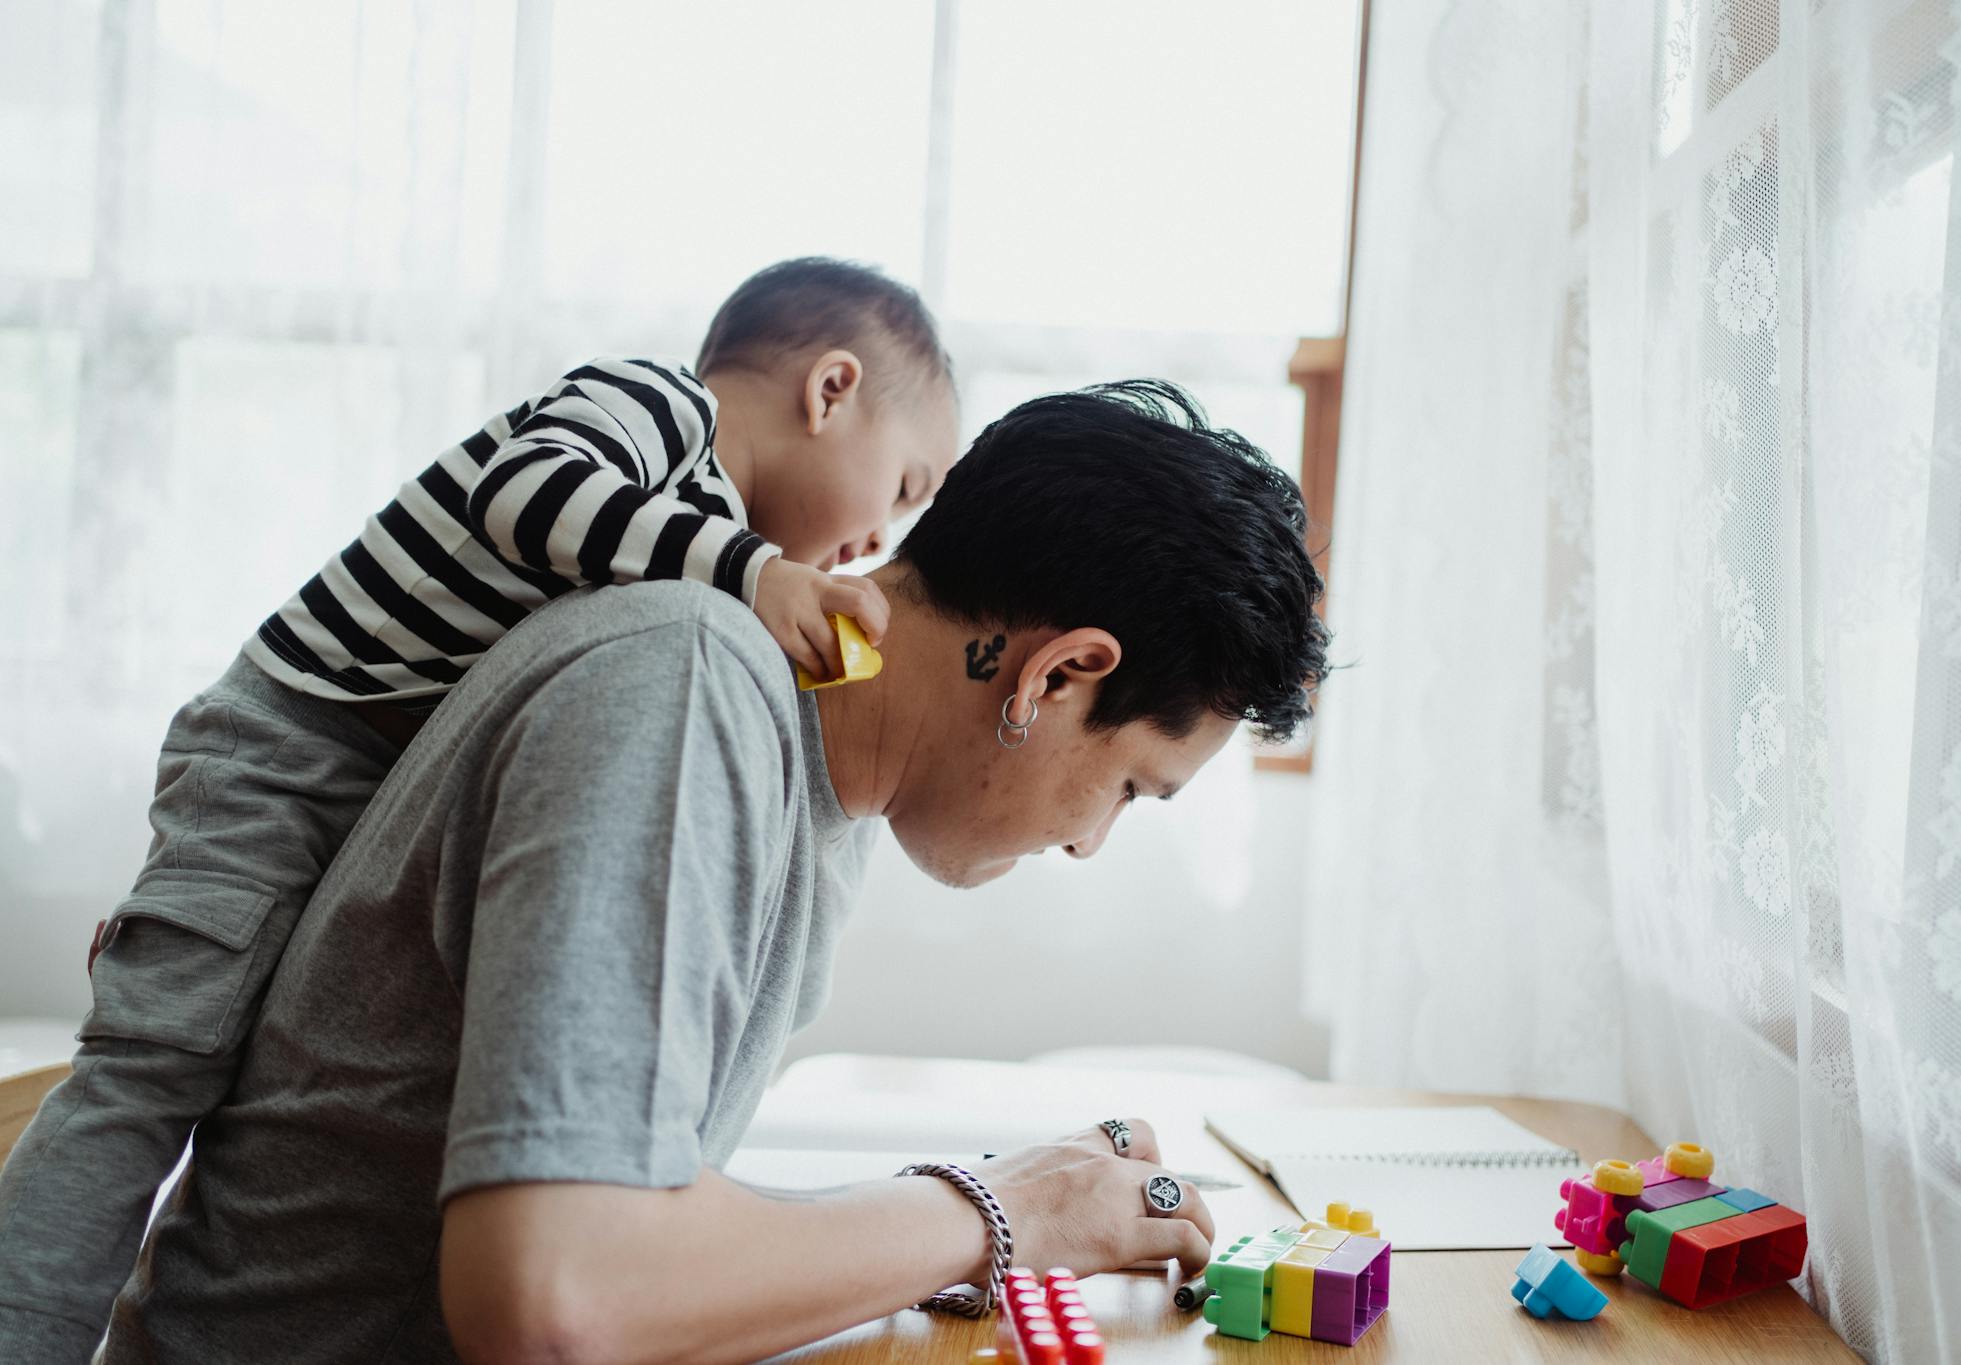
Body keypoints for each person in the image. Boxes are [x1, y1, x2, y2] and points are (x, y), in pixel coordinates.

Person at [88, 379, 1330, 1364]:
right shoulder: (685, 691)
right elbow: (559, 1306)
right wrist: (1001, 1214)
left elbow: (638, 1221)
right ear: (1056, 674)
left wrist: (992, 1213)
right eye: (1126, 790)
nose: (1086, 842)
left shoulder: (822, 785)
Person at [0, 258, 960, 1363]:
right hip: (285, 750)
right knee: (149, 1073)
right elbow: (525, 495)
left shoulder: (689, 556)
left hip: (362, 784)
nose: (874, 546)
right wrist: (752, 572)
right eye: (899, 489)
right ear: (829, 390)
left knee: (252, 1056)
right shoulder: (655, 408)